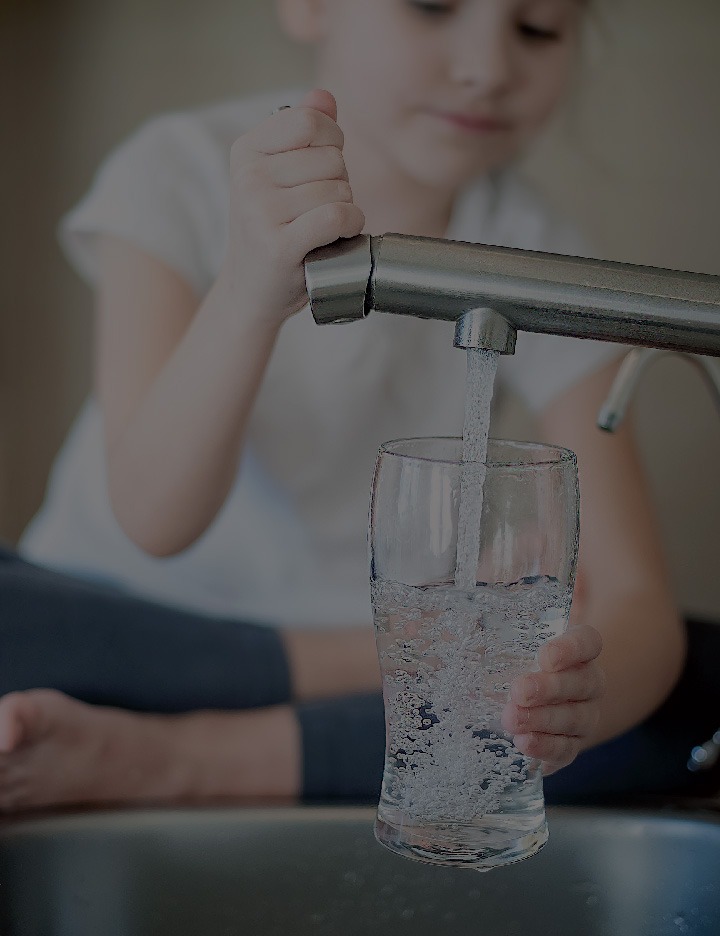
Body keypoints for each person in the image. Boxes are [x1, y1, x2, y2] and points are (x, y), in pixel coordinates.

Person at [0, 0, 697, 813]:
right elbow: (155, 520)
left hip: (368, 687)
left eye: (537, 28)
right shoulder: (178, 167)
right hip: (132, 634)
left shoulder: (543, 251)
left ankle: (179, 760)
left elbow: (635, 598)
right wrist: (250, 292)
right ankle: (370, 667)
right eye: (433, 7)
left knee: (694, 686)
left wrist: (569, 703)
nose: (489, 67)